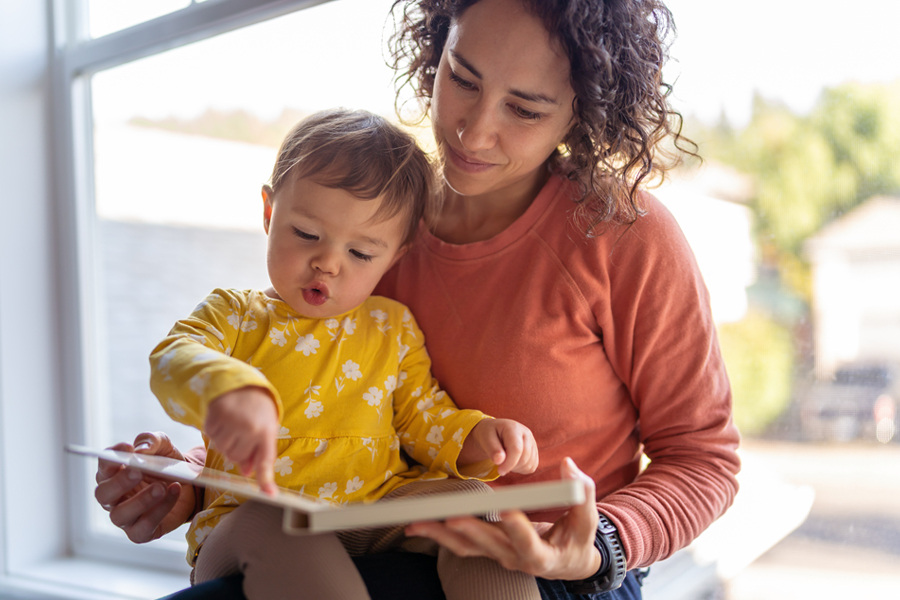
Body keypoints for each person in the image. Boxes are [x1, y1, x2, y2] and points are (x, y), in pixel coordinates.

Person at [95, 1, 741, 598]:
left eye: (525, 108)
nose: (474, 130)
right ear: (437, 48)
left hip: (558, 572)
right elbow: (317, 402)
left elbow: (705, 459)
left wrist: (598, 543)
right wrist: (185, 481)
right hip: (373, 531)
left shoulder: (625, 235)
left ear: (582, 110)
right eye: (462, 77)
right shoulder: (373, 227)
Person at [140, 107, 542, 600]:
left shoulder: (391, 327)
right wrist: (227, 388)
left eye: (361, 253)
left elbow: (423, 417)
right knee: (276, 518)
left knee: (474, 501)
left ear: (395, 255)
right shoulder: (236, 315)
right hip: (251, 522)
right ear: (269, 213)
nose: (327, 263)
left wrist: (479, 437)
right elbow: (171, 356)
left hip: (373, 510)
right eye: (306, 234)